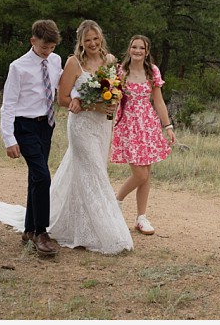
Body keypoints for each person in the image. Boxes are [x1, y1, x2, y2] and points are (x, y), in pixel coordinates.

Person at [45, 19, 133, 254]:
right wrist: (90, 105)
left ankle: (77, 224)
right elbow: (63, 98)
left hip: (103, 126)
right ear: (81, 42)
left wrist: (113, 101)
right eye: (88, 40)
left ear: (101, 38)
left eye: (96, 38)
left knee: (88, 173)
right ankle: (107, 232)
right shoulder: (74, 63)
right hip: (81, 126)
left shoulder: (110, 60)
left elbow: (115, 90)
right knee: (94, 174)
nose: (93, 43)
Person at [0, 19, 62, 257]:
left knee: (36, 177)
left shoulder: (55, 61)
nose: (48, 52)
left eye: (52, 47)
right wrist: (9, 139)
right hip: (24, 126)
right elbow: (8, 105)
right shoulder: (18, 67)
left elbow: (62, 85)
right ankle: (41, 232)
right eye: (44, 47)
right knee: (43, 177)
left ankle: (29, 230)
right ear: (33, 41)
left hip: (47, 124)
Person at [111, 34, 176, 235]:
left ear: (147, 52)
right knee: (140, 174)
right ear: (129, 49)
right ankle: (115, 203)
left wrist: (168, 126)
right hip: (128, 126)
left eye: (142, 48)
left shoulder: (152, 71)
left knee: (147, 173)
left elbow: (158, 101)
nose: (137, 51)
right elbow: (111, 99)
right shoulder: (120, 72)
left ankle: (141, 217)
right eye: (134, 47)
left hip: (148, 125)